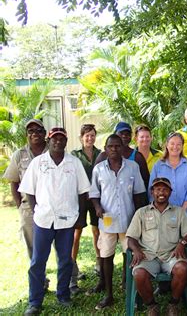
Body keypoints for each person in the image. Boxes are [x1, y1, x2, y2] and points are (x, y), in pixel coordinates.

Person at [18, 127, 90, 315]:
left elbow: (83, 192)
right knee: (37, 262)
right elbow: (29, 190)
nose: (58, 141)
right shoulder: (38, 163)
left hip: (67, 221)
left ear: (66, 141)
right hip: (43, 220)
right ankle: (35, 302)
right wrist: (36, 210)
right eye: (54, 139)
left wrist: (81, 218)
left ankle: (63, 295)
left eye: (62, 139)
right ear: (49, 141)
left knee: (65, 260)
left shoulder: (74, 163)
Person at [88, 134, 147, 309]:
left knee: (130, 258)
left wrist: (138, 218)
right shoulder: (99, 169)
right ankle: (109, 294)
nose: (114, 149)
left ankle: (133, 293)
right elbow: (94, 194)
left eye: (117, 146)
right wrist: (97, 208)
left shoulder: (133, 167)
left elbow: (139, 194)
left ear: (123, 148)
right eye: (110, 146)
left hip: (128, 222)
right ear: (105, 149)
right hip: (107, 222)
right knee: (107, 256)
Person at [126, 177, 187, 316]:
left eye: (165, 189)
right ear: (152, 192)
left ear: (170, 192)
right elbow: (131, 238)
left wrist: (182, 244)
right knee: (139, 273)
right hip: (148, 256)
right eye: (158, 189)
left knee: (182, 268)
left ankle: (173, 304)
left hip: (171, 255)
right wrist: (136, 250)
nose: (161, 192)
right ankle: (151, 305)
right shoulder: (142, 212)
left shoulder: (179, 212)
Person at [3, 119, 48, 261]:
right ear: (26, 134)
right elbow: (14, 182)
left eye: (39, 130)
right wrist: (20, 206)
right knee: (33, 248)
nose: (35, 134)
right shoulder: (19, 155)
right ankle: (39, 281)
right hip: (28, 208)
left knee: (62, 245)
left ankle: (69, 279)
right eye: (31, 131)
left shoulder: (53, 151)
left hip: (52, 205)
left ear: (45, 133)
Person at [70, 124, 102, 294]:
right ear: (81, 137)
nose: (89, 138)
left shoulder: (100, 154)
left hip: (97, 198)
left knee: (97, 231)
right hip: (80, 199)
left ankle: (99, 263)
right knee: (77, 234)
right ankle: (73, 267)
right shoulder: (75, 155)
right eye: (86, 136)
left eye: (92, 135)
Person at [149, 132, 187, 229]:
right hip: (163, 213)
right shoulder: (158, 165)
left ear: (182, 146)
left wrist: (181, 212)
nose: (175, 147)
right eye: (172, 143)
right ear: (167, 145)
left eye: (179, 144)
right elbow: (152, 190)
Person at [95, 122, 150, 186]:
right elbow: (95, 181)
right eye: (121, 133)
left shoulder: (138, 157)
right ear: (115, 134)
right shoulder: (103, 156)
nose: (124, 136)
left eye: (127, 134)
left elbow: (146, 182)